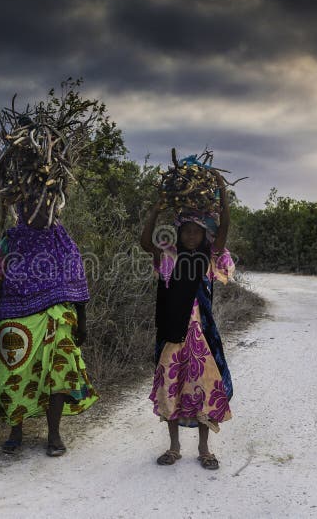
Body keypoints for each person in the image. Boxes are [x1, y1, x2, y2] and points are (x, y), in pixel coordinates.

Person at [0, 200, 98, 457]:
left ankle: (53, 433)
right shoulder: (10, 241)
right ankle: (15, 430)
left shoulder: (61, 239)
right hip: (15, 313)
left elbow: (76, 277)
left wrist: (82, 319)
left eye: (47, 207)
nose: (40, 213)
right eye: (33, 207)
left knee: (59, 370)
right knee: (14, 372)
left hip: (56, 313)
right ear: (22, 210)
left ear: (55, 208)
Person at [139, 171, 235, 470]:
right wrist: (156, 210)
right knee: (172, 386)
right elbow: (145, 243)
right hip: (172, 334)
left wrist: (222, 193)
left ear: (205, 235)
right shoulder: (170, 257)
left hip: (202, 336)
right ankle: (174, 447)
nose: (191, 236)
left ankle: (205, 449)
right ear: (178, 234)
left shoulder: (209, 258)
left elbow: (223, 234)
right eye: (186, 232)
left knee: (204, 388)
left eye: (197, 232)